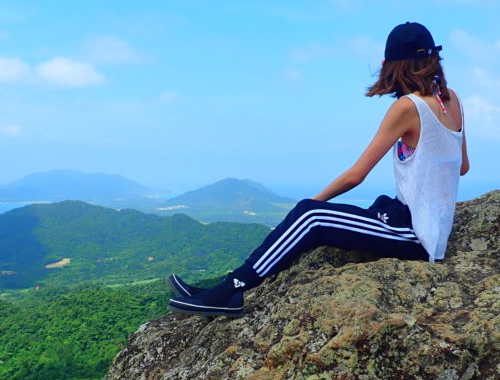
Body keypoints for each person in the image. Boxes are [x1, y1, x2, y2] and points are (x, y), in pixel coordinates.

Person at [168, 21, 470, 318]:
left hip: (415, 236)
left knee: (310, 215)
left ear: (391, 64)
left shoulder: (408, 107)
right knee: (329, 212)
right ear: (432, 59)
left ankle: (230, 291)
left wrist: (314, 202)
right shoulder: (452, 100)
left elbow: (356, 175)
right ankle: (219, 289)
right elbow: (463, 167)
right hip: (427, 227)